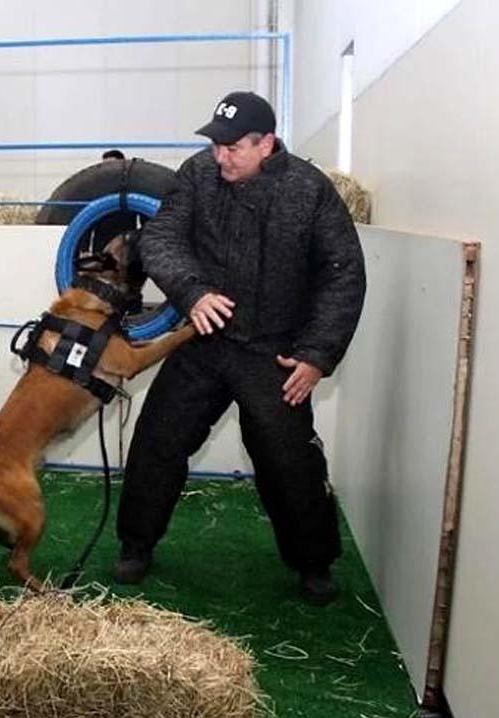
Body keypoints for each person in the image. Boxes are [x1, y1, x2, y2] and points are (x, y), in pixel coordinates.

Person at [113, 91, 366, 605]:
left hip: (272, 354)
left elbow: (342, 275)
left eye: (232, 148)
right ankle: (136, 544)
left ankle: (313, 563)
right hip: (203, 341)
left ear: (266, 143)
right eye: (216, 146)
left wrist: (317, 354)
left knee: (288, 462)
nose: (220, 156)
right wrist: (191, 290)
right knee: (158, 439)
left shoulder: (309, 191)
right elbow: (160, 238)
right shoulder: (198, 175)